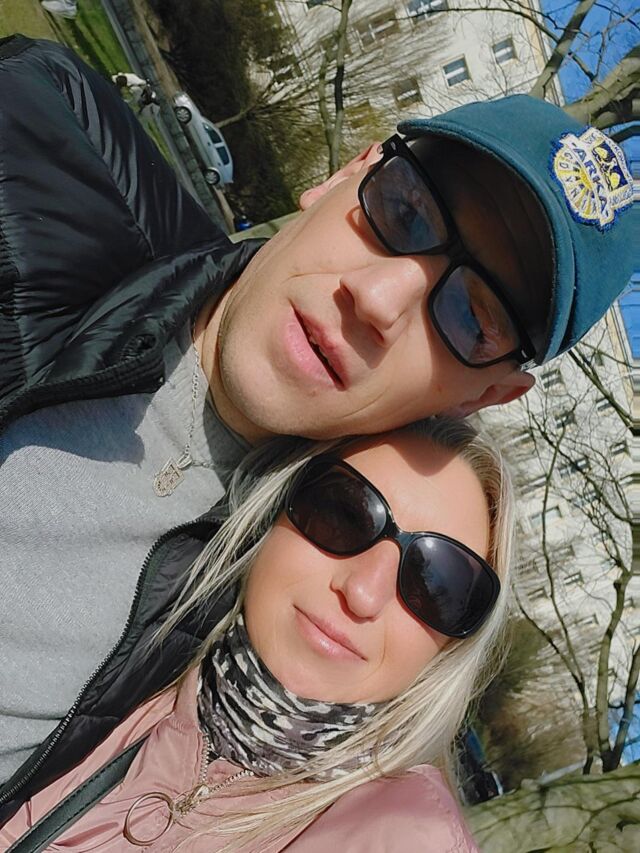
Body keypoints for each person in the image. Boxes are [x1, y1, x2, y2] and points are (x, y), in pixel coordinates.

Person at [0, 34, 634, 820]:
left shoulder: (308, 573)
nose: (377, 299)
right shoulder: (27, 144)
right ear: (342, 178)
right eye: (403, 211)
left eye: (473, 319)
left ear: (487, 395)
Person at [0, 417, 514, 850]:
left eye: (437, 582)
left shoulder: (406, 836)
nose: (362, 593)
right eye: (345, 513)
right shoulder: (107, 652)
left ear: (451, 645)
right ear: (276, 504)